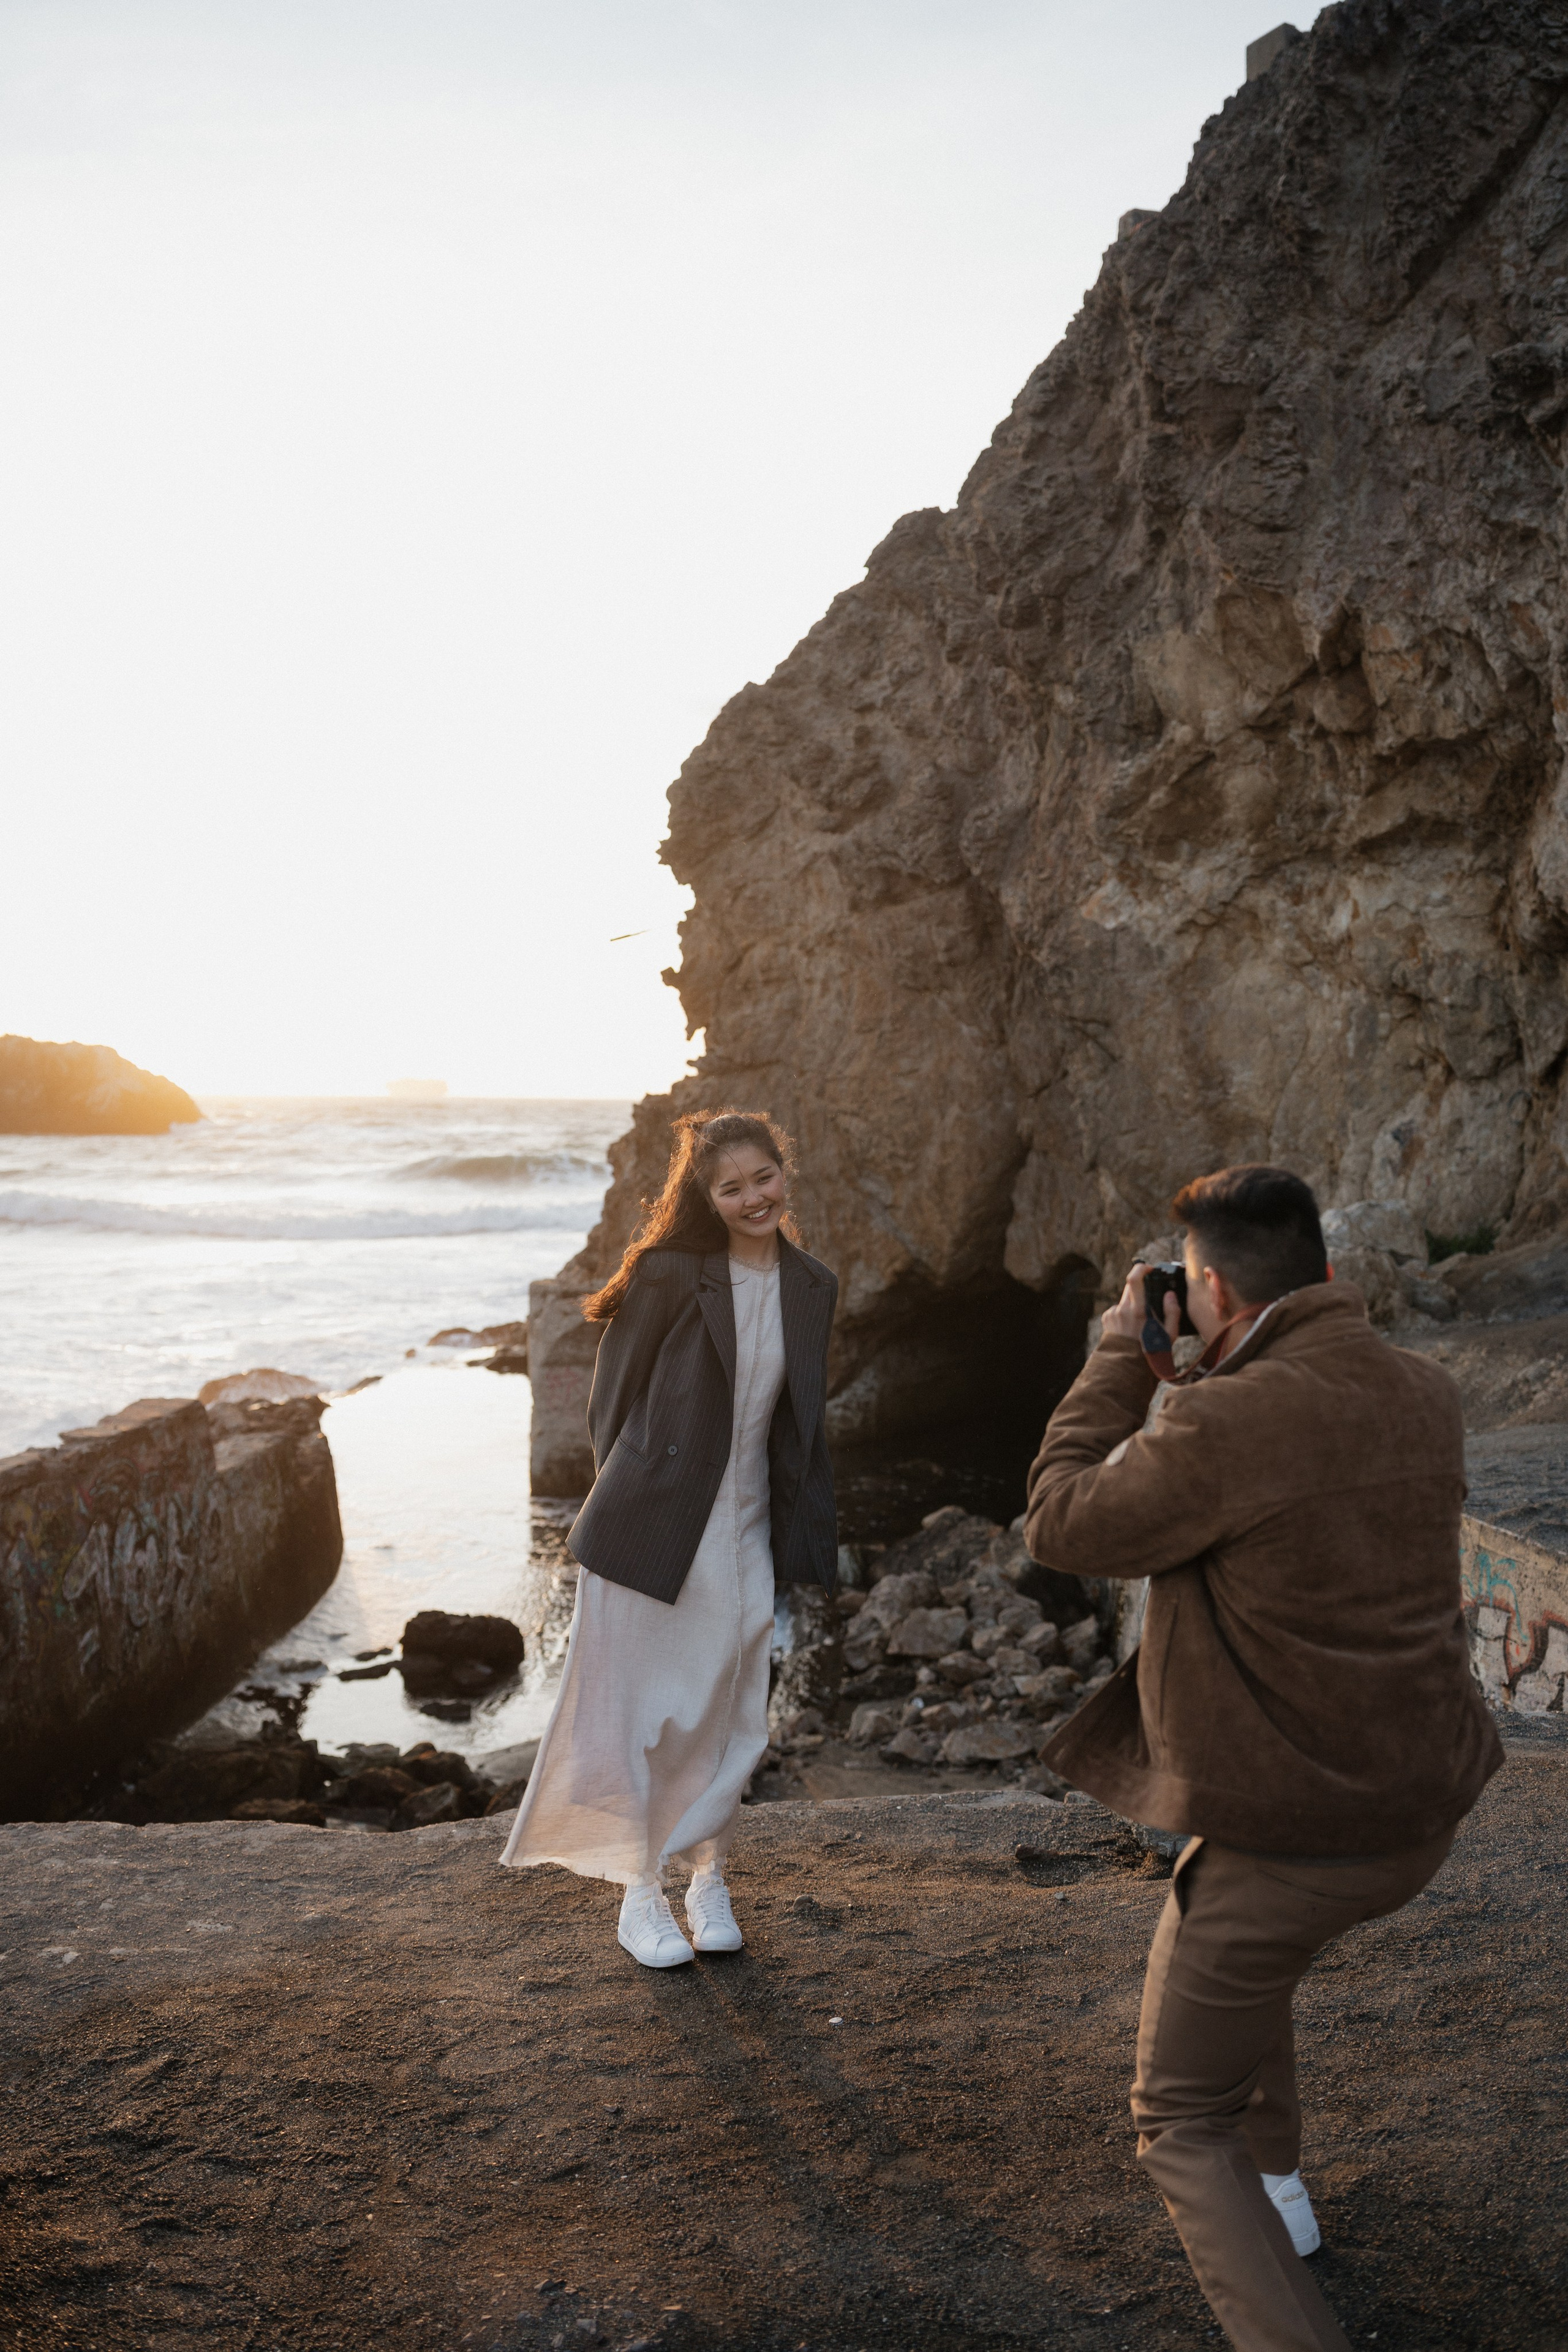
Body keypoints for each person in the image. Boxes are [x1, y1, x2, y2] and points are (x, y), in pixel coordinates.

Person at [1024, 1163, 1502, 2352]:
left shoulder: (1218, 1420)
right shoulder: (1420, 1390)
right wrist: (1194, 1372)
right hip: (1418, 1806)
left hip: (1294, 1832)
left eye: (1185, 1285)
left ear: (1211, 1289)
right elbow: (1280, 1493)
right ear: (1322, 1272)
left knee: (1176, 2119)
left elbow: (1063, 1521)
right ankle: (1277, 2187)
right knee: (1249, 1973)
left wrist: (1116, 1358)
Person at [500, 1109, 838, 1968]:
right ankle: (640, 1895)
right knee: (643, 1712)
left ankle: (708, 1876)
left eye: (764, 1178)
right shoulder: (669, 1274)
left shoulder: (812, 1285)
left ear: (782, 1170)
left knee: (732, 1713)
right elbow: (612, 1402)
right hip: (656, 1527)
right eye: (732, 1188)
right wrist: (642, 1496)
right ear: (707, 1195)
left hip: (753, 1527)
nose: (753, 1197)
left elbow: (798, 1426)